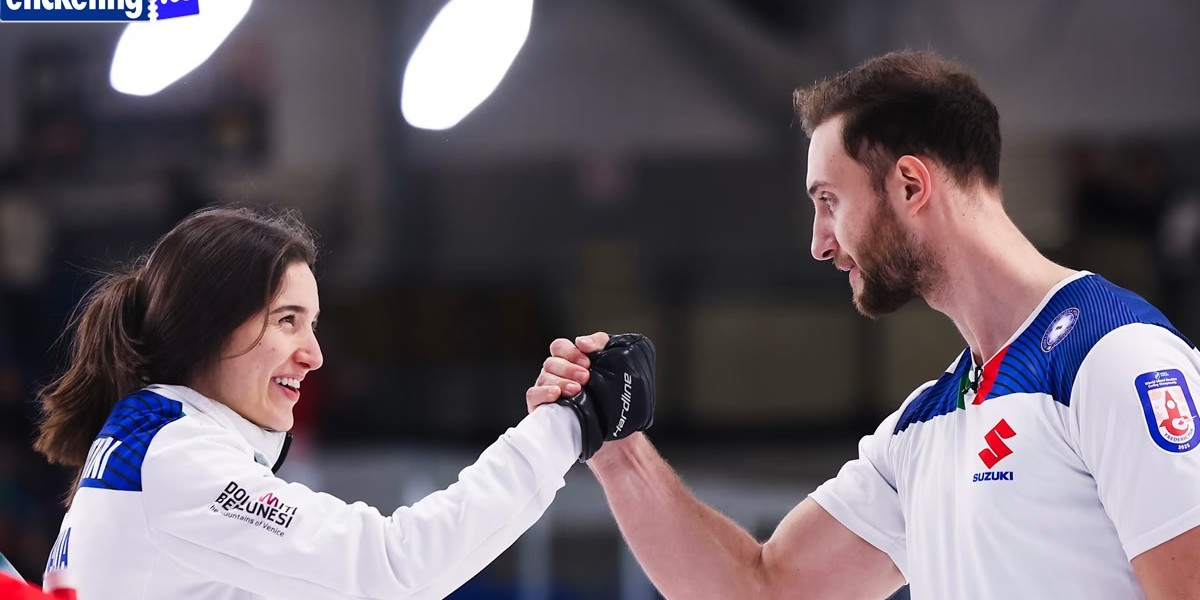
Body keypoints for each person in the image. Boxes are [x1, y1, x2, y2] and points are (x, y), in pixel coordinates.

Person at [529, 50, 1200, 599]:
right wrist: (615, 449)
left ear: (910, 186)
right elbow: (761, 590)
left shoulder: (1116, 359)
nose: (820, 243)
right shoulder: (925, 426)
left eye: (829, 202)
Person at [34, 206, 652, 600]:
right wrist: (566, 427)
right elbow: (396, 568)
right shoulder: (177, 457)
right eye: (287, 321)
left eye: (314, 324)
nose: (314, 354)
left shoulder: (149, 439)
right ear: (208, 326)